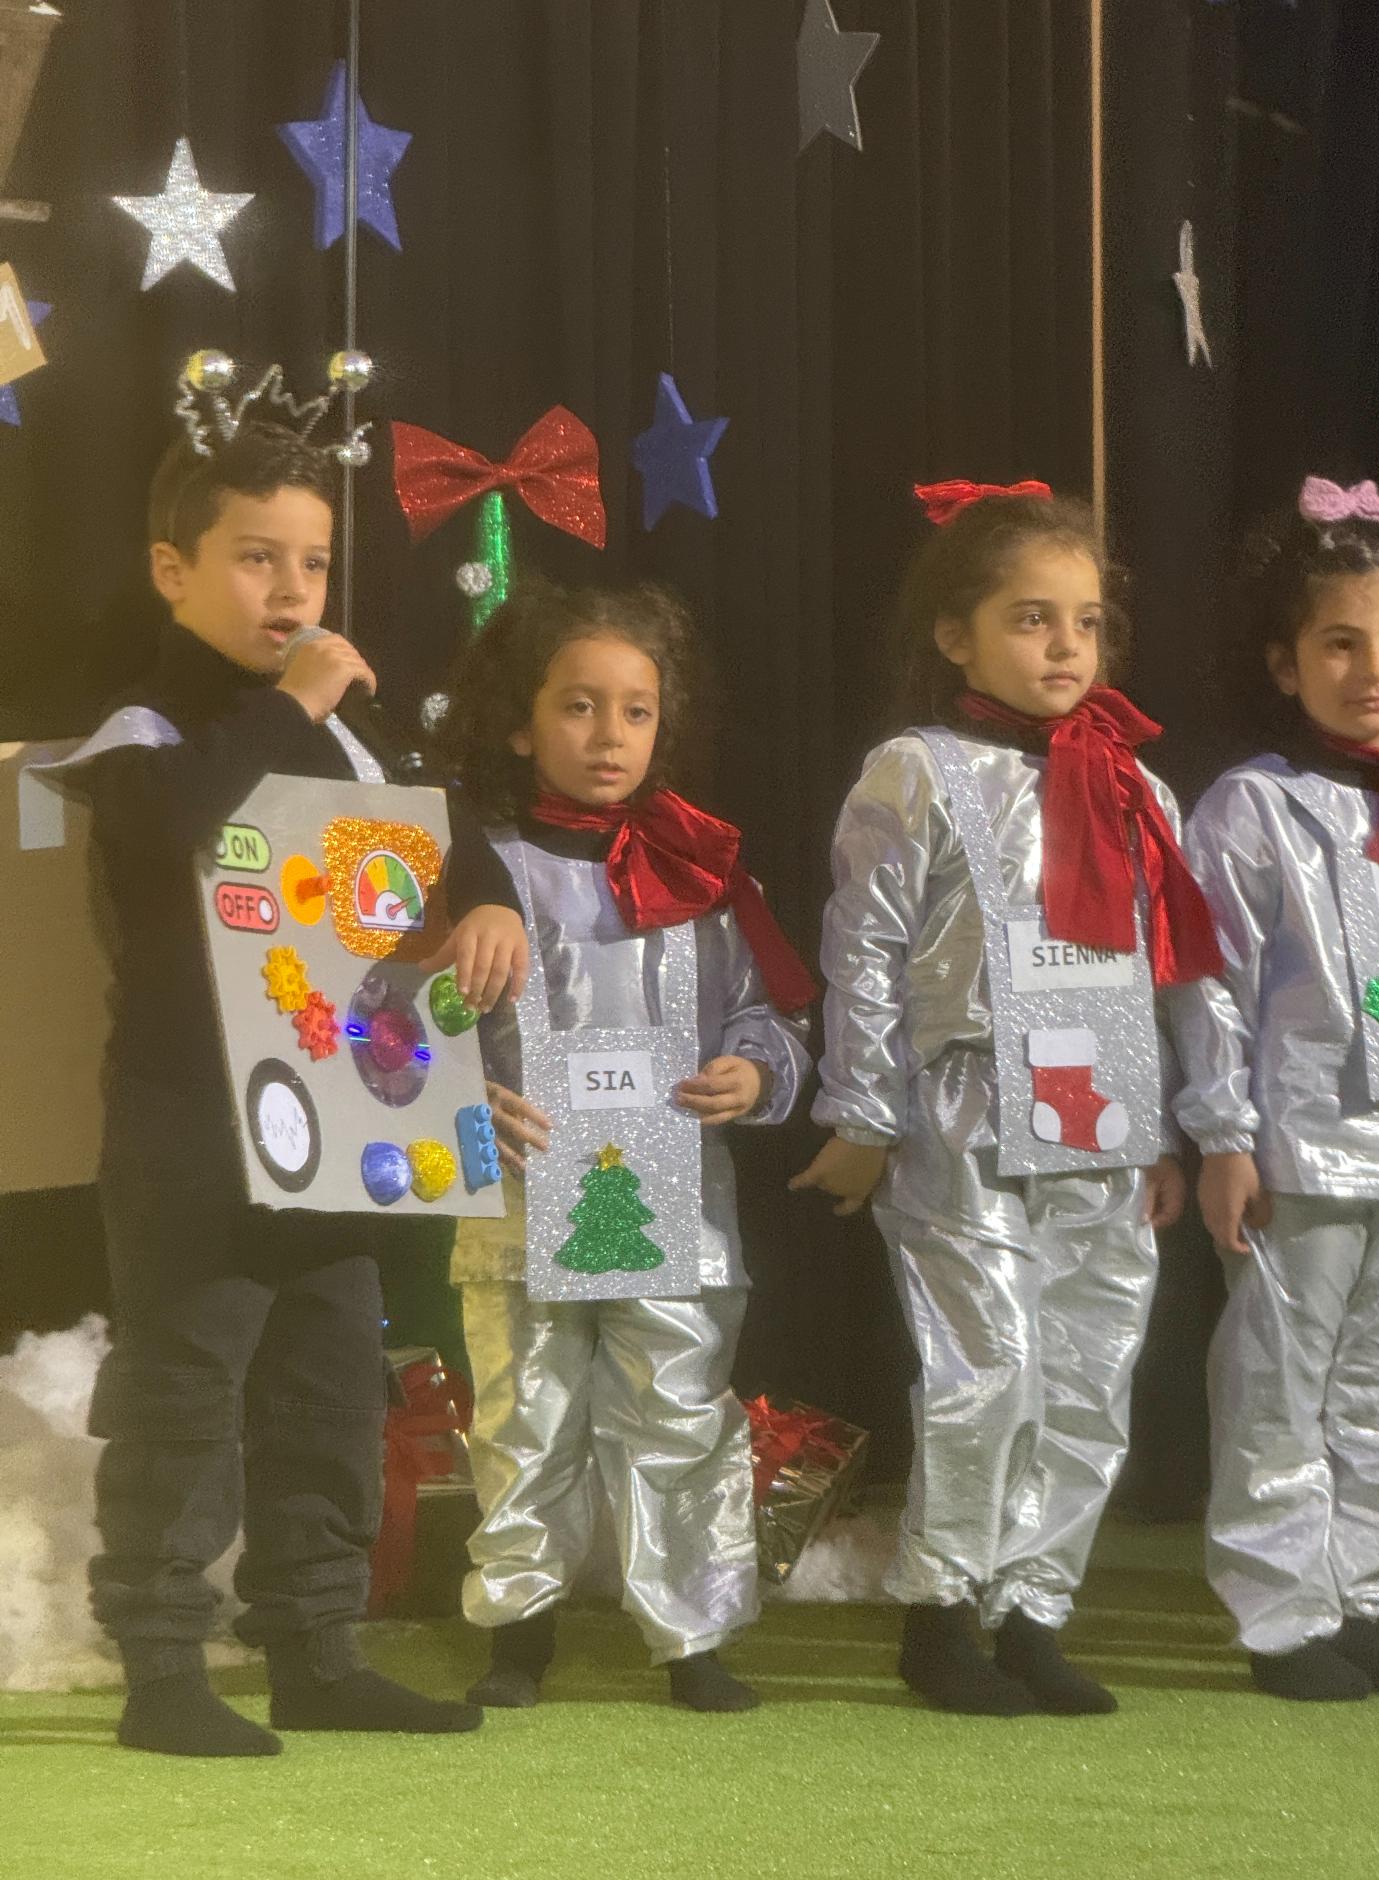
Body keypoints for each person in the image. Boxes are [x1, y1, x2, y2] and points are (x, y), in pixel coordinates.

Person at [70, 407, 526, 1756]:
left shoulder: (353, 739)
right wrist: (291, 704)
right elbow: (181, 828)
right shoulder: (145, 728)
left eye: (314, 563)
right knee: (183, 1394)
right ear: (175, 571)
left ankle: (317, 1649)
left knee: (329, 1390)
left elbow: (442, 842)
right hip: (191, 1132)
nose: (292, 590)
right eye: (256, 558)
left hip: (339, 1125)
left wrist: (490, 903)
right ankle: (163, 1666)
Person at [793, 481, 1219, 1716]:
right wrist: (865, 1114)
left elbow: (1161, 974)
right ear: (955, 635)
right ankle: (941, 1614)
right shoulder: (917, 772)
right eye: (1032, 619)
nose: (1065, 648)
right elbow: (864, 948)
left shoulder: (1135, 787)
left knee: (1090, 1365)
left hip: (1099, 1113)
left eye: (1086, 623)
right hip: (965, 1108)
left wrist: (1164, 1129)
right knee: (989, 1363)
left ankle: (1033, 1609)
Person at [440, 578, 813, 1712]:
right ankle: (519, 1630)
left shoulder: (701, 873)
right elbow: (401, 1030)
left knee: (679, 1410)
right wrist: (460, 1104)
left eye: (636, 711)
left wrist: (755, 1071)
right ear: (520, 723)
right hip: (517, 1201)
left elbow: (766, 1013)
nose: (610, 735)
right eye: (579, 706)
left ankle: (693, 1636)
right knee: (525, 1413)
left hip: (676, 1203)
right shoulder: (476, 871)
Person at [1170, 477, 1379, 1703]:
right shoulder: (1253, 804)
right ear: (1285, 663)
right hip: (1301, 1147)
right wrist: (1223, 1134)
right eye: (1341, 644)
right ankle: (1283, 1612)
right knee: (1280, 1381)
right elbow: (1211, 981)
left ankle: (1363, 1592)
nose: (1375, 669)